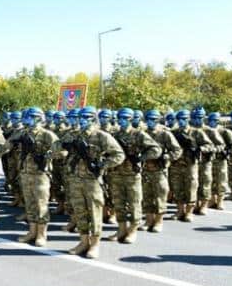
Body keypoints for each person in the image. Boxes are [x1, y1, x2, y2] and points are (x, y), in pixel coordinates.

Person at [63, 106, 125, 259]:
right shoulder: (73, 134)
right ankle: (83, 242)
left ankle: (95, 245)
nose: (82, 120)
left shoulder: (101, 136)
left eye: (86, 117)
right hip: (75, 179)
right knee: (79, 211)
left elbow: (119, 155)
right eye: (81, 117)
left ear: (93, 118)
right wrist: (65, 145)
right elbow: (57, 146)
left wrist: (102, 165)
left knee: (95, 212)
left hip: (92, 181)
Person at [108, 108, 161, 244]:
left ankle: (132, 231)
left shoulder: (139, 135)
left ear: (131, 119)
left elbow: (156, 149)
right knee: (118, 203)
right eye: (120, 118)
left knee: (134, 204)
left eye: (125, 118)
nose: (122, 121)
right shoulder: (113, 134)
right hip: (116, 173)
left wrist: (141, 158)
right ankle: (121, 229)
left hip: (132, 175)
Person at [14, 107, 57, 247]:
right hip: (25, 174)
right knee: (30, 204)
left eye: (31, 117)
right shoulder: (22, 133)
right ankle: (32, 232)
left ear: (39, 118)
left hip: (40, 175)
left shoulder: (47, 135)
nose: (28, 119)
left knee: (41, 205)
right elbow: (8, 144)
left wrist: (47, 156)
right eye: (27, 117)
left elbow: (62, 151)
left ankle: (42, 234)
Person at [141, 109, 182, 232]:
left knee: (160, 196)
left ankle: (158, 222)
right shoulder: (142, 132)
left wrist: (167, 157)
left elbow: (177, 150)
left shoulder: (165, 134)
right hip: (144, 169)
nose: (151, 122)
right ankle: (148, 221)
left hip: (159, 170)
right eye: (149, 119)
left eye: (154, 119)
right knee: (146, 196)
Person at [170, 110, 214, 221]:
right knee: (177, 188)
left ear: (188, 119)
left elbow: (210, 145)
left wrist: (199, 149)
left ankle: (189, 212)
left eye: (184, 119)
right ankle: (180, 211)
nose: (181, 121)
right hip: (176, 165)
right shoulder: (173, 132)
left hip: (191, 165)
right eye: (179, 119)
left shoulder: (196, 132)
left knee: (191, 188)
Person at [207, 112, 232, 210]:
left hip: (220, 159)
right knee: (210, 181)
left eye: (215, 120)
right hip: (208, 160)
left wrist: (229, 151)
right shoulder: (206, 131)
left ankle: (220, 201)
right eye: (211, 120)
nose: (213, 122)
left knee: (221, 181)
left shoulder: (224, 131)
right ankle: (213, 200)